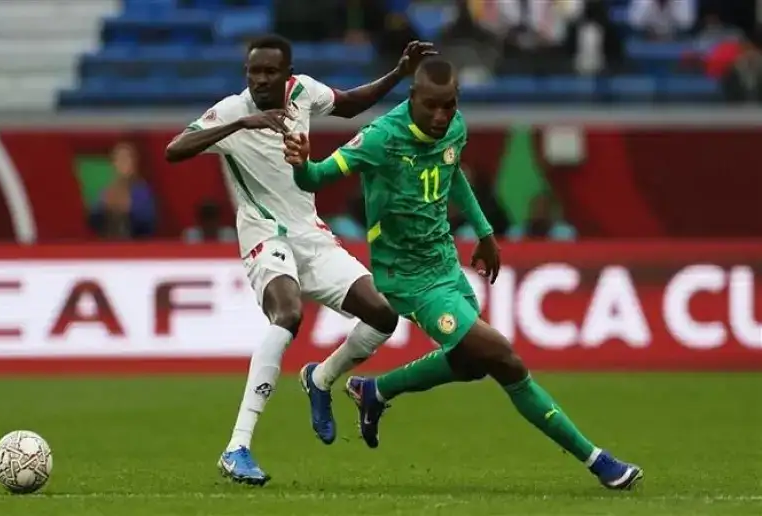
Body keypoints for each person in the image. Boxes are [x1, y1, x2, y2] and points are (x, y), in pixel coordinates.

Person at [283, 56, 643, 491]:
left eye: (449, 106)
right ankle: (597, 460)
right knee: (503, 357)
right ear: (413, 98)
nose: (441, 117)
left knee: (473, 364)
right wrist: (302, 164)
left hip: (445, 263)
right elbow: (317, 178)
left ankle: (374, 391)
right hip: (408, 277)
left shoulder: (455, 128)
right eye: (432, 106)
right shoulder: (380, 138)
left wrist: (486, 232)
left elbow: (453, 176)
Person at [165, 35, 436, 486]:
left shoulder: (304, 92)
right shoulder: (232, 110)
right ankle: (237, 447)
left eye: (270, 72)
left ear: (286, 73)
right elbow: (174, 150)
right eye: (254, 72)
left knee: (384, 315)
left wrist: (398, 74)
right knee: (287, 314)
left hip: (309, 233)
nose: (261, 79)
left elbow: (349, 105)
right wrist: (242, 124)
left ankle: (322, 378)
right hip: (263, 233)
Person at [89, 142, 157, 239]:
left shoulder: (142, 191)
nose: (123, 164)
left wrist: (129, 208)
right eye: (119, 159)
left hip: (136, 247)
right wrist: (103, 207)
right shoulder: (106, 190)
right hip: (109, 246)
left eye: (126, 159)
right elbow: (92, 221)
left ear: (134, 163)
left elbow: (148, 223)